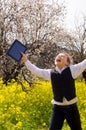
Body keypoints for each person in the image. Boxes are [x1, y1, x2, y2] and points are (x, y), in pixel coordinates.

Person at [21, 52, 86, 130]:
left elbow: (84, 63)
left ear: (67, 62)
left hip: (72, 109)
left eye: (62, 56)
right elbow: (36, 71)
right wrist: (26, 61)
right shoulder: (51, 73)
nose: (59, 56)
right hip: (58, 109)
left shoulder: (73, 69)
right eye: (58, 55)